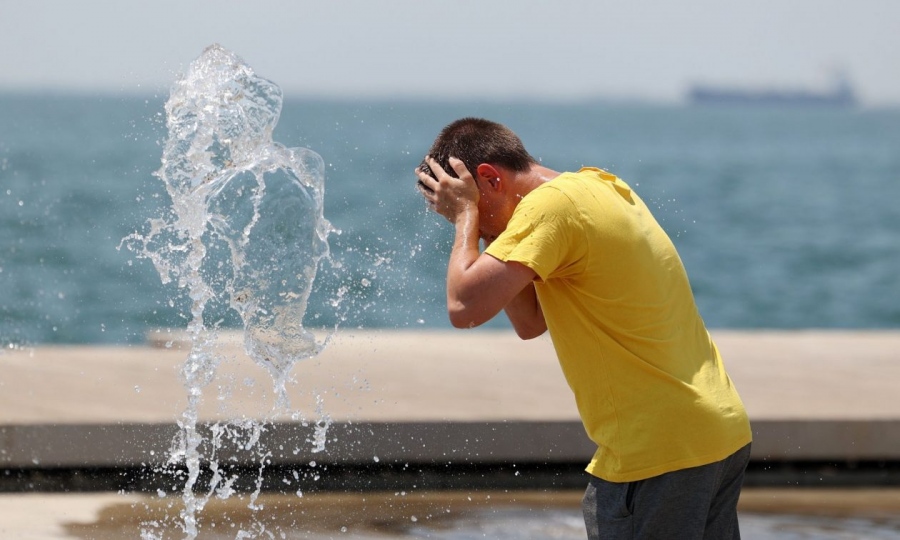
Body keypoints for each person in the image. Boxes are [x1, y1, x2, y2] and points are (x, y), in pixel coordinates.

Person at [415, 118, 752, 540]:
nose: (479, 235)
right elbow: (529, 322)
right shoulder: (596, 186)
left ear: (489, 178)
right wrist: (482, 223)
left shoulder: (549, 209)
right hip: (714, 433)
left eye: (473, 210)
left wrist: (466, 217)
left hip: (658, 451)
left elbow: (464, 307)